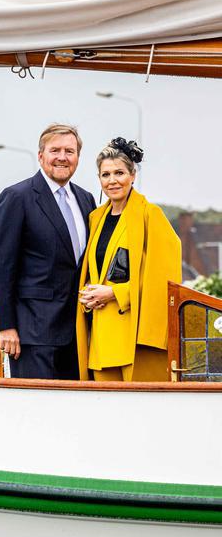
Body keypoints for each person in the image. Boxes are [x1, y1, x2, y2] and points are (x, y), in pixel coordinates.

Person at [0, 124, 97, 379]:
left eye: (69, 151)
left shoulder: (86, 200)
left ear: (78, 157)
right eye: (54, 150)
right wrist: (5, 327)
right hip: (32, 333)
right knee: (36, 409)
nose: (62, 157)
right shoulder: (17, 197)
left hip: (79, 332)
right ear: (40, 156)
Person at [75, 138, 181, 381]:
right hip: (101, 340)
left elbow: (166, 281)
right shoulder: (95, 218)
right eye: (105, 174)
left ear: (133, 175)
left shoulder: (150, 215)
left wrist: (114, 294)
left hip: (134, 340)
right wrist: (88, 296)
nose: (112, 180)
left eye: (119, 173)